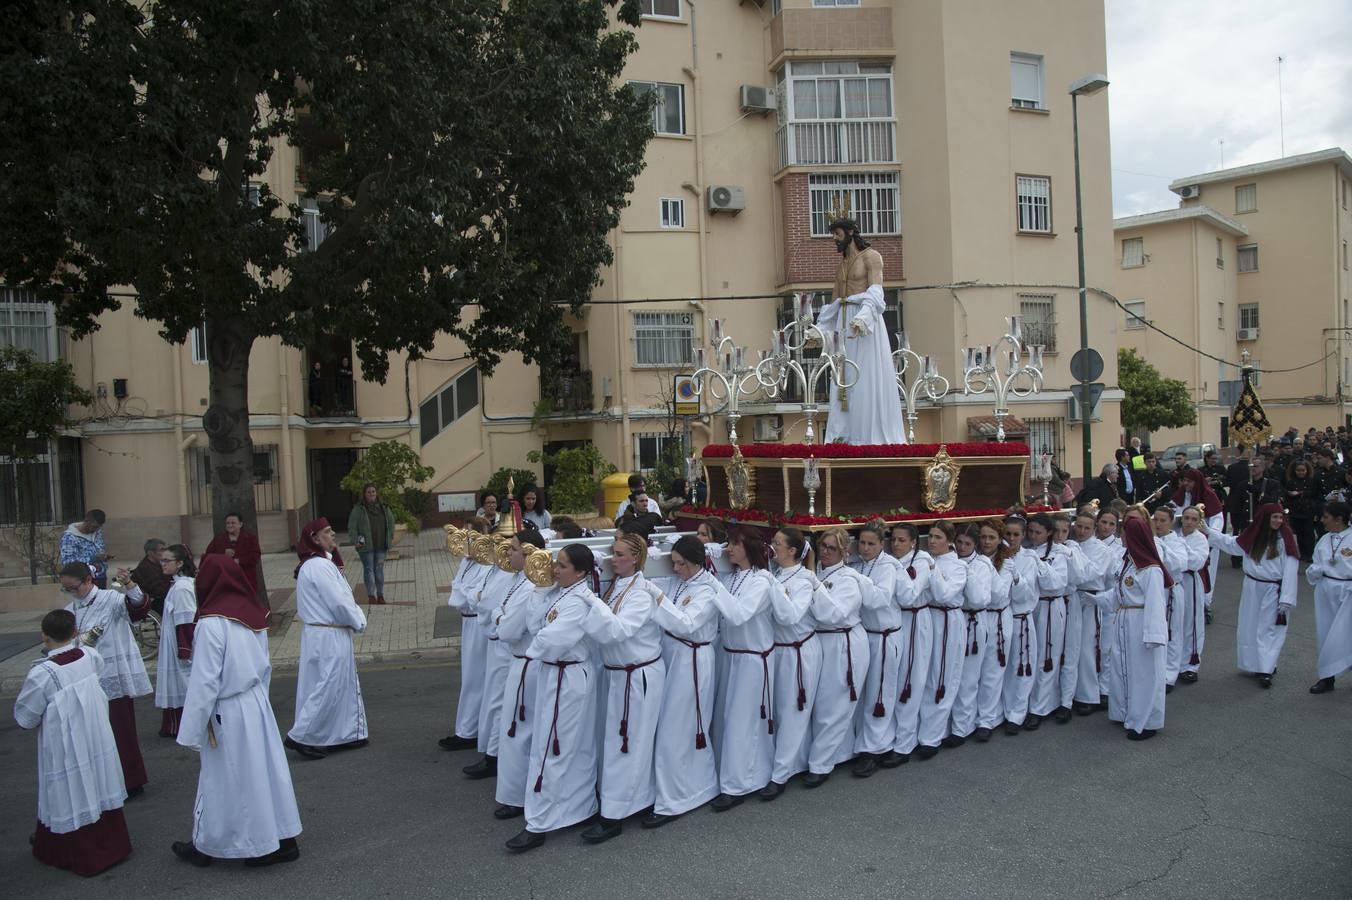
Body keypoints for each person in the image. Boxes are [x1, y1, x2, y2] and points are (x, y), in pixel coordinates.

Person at [172, 555, 302, 868]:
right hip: (254, 703)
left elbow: (204, 683)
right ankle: (282, 839)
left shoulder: (211, 624)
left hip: (227, 710)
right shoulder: (253, 615)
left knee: (223, 779)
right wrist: (259, 702)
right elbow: (265, 666)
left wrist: (190, 731)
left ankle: (214, 844)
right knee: (265, 773)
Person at [14, 609, 132, 877]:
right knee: (98, 781)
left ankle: (71, 850)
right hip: (95, 734)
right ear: (75, 632)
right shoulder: (89, 656)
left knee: (70, 788)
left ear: (44, 636)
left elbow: (26, 717)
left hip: (65, 745)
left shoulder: (43, 673)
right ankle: (113, 845)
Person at [505, 544, 601, 852]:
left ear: (582, 572)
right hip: (555, 673)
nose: (554, 569)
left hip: (568, 677)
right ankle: (577, 808)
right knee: (562, 744)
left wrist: (540, 635)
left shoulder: (580, 602)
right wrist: (540, 593)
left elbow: (551, 640)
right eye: (556, 563)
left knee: (553, 747)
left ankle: (539, 822)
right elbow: (535, 625)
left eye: (562, 565)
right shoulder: (559, 593)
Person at [575, 533, 664, 843]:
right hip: (617, 675)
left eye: (621, 554)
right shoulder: (615, 586)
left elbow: (619, 630)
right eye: (613, 553)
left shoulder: (640, 593)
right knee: (619, 742)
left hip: (636, 675)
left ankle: (614, 814)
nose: (614, 559)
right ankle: (627, 800)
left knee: (627, 743)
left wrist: (588, 600)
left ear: (636, 559)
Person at [645, 535, 720, 827]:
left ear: (695, 562)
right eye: (673, 563)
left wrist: (658, 596)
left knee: (677, 730)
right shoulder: (680, 582)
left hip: (692, 659)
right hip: (673, 657)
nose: (675, 569)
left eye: (680, 564)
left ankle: (675, 799)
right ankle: (684, 789)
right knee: (673, 728)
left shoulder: (708, 590)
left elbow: (686, 623)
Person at [61, 561, 151, 795]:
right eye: (66, 589)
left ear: (88, 580)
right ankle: (105, 783)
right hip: (88, 679)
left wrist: (129, 584)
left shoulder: (110, 599)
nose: (71, 592)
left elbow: (138, 608)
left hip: (113, 674)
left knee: (121, 731)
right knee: (96, 734)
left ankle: (131, 782)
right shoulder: (71, 610)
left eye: (74, 587)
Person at [464, 530, 547, 782]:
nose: (507, 552)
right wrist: (501, 617)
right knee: (503, 709)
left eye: (513, 548)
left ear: (529, 553)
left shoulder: (531, 585)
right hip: (513, 654)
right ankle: (495, 758)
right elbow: (497, 610)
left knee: (514, 718)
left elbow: (508, 627)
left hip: (524, 659)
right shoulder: (517, 578)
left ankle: (506, 769)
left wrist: (501, 617)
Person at [815, 217, 905, 444]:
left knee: (865, 376)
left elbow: (876, 292)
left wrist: (863, 319)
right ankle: (844, 436)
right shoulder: (842, 265)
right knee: (842, 378)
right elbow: (834, 304)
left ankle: (870, 437)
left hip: (865, 326)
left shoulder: (871, 257)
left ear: (851, 232)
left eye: (837, 233)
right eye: (833, 234)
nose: (834, 238)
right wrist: (819, 330)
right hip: (843, 326)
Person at [286, 518, 369, 758]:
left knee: (338, 683)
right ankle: (301, 735)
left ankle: (344, 733)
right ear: (314, 538)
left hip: (323, 633)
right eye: (327, 531)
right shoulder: (319, 567)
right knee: (329, 685)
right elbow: (338, 601)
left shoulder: (318, 564)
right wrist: (358, 620)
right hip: (328, 634)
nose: (333, 534)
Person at [708, 528, 778, 807]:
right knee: (729, 718)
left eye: (734, 544)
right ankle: (736, 775)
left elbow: (738, 615)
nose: (728, 549)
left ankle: (738, 784)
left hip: (752, 658)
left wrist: (711, 584)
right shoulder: (734, 576)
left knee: (743, 722)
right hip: (732, 655)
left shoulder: (762, 581)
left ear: (748, 547)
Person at [1201, 503, 1299, 688]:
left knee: (1268, 628)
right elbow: (1231, 544)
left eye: (1280, 517)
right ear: (1264, 519)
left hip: (1273, 590)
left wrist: (1287, 597)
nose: (1278, 521)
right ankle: (1257, 663)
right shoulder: (1252, 537)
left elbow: (1291, 569)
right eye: (1274, 517)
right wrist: (1208, 531)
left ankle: (1266, 669)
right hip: (1252, 587)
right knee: (1250, 625)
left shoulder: (1285, 540)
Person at [760, 527, 824, 799]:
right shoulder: (775, 573)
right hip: (779, 650)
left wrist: (771, 584)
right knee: (780, 710)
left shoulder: (804, 579)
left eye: (777, 543)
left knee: (794, 710)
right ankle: (789, 763)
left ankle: (780, 774)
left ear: (792, 551)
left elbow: (791, 616)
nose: (772, 546)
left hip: (799, 652)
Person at [806, 527, 869, 783]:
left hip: (844, 642)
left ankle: (819, 765)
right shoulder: (819, 573)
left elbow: (834, 615)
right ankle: (839, 753)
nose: (826, 551)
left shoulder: (849, 578)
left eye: (832, 548)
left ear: (845, 551)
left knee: (836, 703)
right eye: (823, 546)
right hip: (822, 642)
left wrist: (812, 584)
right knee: (822, 703)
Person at [1101, 516, 1169, 741]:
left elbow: (1156, 604)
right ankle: (1125, 711)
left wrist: (1154, 635)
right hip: (1124, 619)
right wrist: (1094, 599)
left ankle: (1146, 720)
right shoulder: (1127, 563)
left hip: (1141, 623)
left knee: (1143, 673)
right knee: (1123, 667)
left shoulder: (1150, 570)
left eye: (1123, 532)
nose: (1120, 536)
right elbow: (1118, 594)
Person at [850, 522, 903, 776]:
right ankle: (863, 741)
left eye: (872, 543)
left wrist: (856, 579)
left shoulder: (888, 567)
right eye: (862, 543)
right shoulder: (858, 563)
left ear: (882, 544)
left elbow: (878, 600)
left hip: (884, 636)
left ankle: (875, 748)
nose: (866, 548)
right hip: (864, 636)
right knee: (862, 693)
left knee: (880, 693)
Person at [440, 516, 493, 752]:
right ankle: (466, 726)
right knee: (469, 676)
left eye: (472, 536)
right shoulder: (468, 561)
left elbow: (472, 596)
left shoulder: (486, 564)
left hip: (478, 624)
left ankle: (469, 731)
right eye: (466, 535)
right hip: (467, 622)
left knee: (476, 677)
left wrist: (463, 592)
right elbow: (458, 592)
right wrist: (462, 592)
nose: (467, 542)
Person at [915, 521, 968, 756]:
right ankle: (919, 731)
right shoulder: (925, 559)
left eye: (938, 537)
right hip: (927, 619)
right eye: (931, 536)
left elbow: (943, 594)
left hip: (947, 621)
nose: (932, 541)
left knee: (942, 677)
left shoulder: (957, 566)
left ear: (949, 540)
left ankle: (931, 737)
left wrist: (932, 570)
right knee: (923, 674)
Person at [886, 523, 932, 759]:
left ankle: (905, 743)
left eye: (901, 540)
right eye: (893, 539)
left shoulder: (921, 562)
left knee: (910, 681)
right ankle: (890, 737)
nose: (895, 544)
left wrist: (895, 569)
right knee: (893, 681)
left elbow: (911, 594)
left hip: (915, 621)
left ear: (913, 542)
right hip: (896, 623)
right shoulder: (890, 561)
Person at [947, 524, 994, 746]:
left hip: (973, 620)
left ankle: (962, 728)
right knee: (950, 674)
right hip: (954, 619)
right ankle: (949, 724)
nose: (962, 547)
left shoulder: (981, 565)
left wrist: (966, 572)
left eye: (967, 544)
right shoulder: (949, 560)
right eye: (959, 543)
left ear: (975, 545)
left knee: (968, 677)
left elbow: (978, 599)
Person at [1024, 514, 1070, 729]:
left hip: (1050, 605)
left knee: (1046, 655)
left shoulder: (1058, 553)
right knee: (1029, 656)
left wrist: (1039, 565)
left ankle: (1040, 707)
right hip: (1030, 608)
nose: (1033, 536)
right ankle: (1025, 703)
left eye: (1038, 532)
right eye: (1030, 531)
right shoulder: (1026, 551)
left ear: (1049, 533)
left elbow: (1057, 582)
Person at [1066, 510, 1111, 715]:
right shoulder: (1069, 544)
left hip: (1090, 599)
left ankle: (1088, 694)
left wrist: (1074, 558)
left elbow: (1091, 573)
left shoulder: (1100, 549)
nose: (1082, 531)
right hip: (1073, 598)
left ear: (1094, 529)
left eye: (1087, 527)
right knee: (1071, 648)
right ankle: (1071, 692)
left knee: (1087, 648)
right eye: (1079, 526)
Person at [149, 545, 197, 738]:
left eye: (167, 560)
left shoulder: (182, 588)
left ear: (179, 563)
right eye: (162, 560)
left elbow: (186, 621)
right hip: (172, 641)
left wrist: (184, 650)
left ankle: (187, 725)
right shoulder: (177, 585)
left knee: (183, 682)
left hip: (178, 644)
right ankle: (174, 724)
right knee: (176, 683)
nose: (163, 564)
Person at [974, 520, 1015, 739]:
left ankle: (987, 720)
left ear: (1000, 540)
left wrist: (986, 566)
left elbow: (999, 594)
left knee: (992, 671)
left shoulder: (1007, 563)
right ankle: (969, 718)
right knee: (973, 672)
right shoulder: (973, 559)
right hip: (977, 618)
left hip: (998, 618)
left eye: (991, 538)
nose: (987, 542)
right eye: (983, 537)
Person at [1306, 501, 1352, 694]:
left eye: (1326, 517)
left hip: (1348, 591)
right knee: (1326, 632)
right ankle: (1327, 677)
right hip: (1326, 591)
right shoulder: (1324, 539)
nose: (1323, 521)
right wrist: (1316, 570)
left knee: (1347, 634)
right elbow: (1316, 562)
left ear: (1339, 518)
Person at [1001, 515, 1041, 734]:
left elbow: (1024, 594)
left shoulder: (1029, 558)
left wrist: (1015, 576)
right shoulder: (996, 556)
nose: (1012, 538)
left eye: (1016, 534)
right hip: (1003, 618)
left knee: (1022, 667)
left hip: (1022, 617)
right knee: (1002, 668)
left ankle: (1017, 713)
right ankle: (1002, 710)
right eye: (1007, 534)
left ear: (1023, 536)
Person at [1176, 507, 1211, 684]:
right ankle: (1174, 662)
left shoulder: (1200, 539)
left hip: (1190, 582)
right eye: (1186, 518)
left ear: (1198, 523)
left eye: (1193, 519)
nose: (1189, 522)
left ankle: (1190, 664)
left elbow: (1197, 562)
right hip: (1174, 581)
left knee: (1191, 623)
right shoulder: (1174, 533)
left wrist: (1181, 550)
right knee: (1175, 622)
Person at [348, 482, 396, 605]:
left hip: (381, 545)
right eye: (368, 492)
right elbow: (352, 527)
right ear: (364, 494)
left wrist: (389, 537)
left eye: (373, 492)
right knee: (369, 570)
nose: (371, 494)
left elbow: (391, 523)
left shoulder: (384, 507)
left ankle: (380, 595)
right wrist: (355, 541)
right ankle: (371, 596)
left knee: (379, 569)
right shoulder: (358, 509)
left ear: (376, 493)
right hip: (366, 547)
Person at [202, 512, 263, 595]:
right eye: (228, 523)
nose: (230, 525)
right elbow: (207, 556)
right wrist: (222, 553)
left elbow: (255, 556)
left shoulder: (250, 538)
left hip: (246, 579)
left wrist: (239, 561)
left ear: (240, 524)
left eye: (233, 523)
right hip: (225, 580)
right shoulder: (218, 540)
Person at [60, 510, 111, 589]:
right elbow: (68, 562)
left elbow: (100, 548)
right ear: (86, 521)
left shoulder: (97, 532)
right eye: (94, 527)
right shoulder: (69, 537)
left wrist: (103, 557)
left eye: (98, 527)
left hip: (100, 577)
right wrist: (92, 558)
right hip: (83, 579)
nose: (96, 530)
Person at [1283, 459, 1317, 561]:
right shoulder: (1291, 482)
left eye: (1303, 470)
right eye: (1298, 470)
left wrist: (1301, 493)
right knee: (1298, 533)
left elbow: (1314, 493)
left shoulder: (1311, 481)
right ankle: (1300, 552)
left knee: (1308, 533)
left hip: (1308, 510)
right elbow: (1286, 497)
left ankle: (1309, 553)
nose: (1301, 472)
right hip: (1295, 511)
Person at [129, 538, 171, 616]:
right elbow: (159, 591)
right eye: (162, 550)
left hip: (162, 598)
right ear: (150, 553)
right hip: (153, 603)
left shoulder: (157, 564)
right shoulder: (146, 568)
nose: (165, 552)